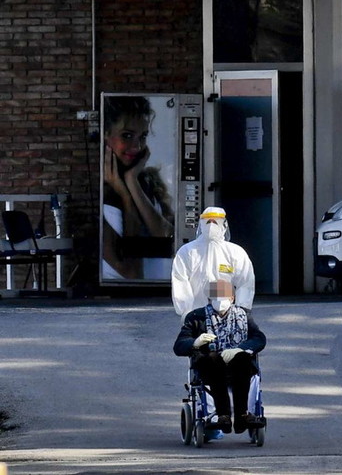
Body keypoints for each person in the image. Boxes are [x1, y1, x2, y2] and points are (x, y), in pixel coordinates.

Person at [174, 279, 267, 434]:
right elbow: (179, 345)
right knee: (212, 360)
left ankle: (242, 416)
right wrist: (195, 342)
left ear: (232, 298)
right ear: (209, 299)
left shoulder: (243, 315)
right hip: (210, 365)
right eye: (215, 297)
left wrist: (240, 349)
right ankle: (223, 415)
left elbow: (259, 339)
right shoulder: (196, 317)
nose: (219, 301)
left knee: (243, 360)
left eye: (223, 297)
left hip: (236, 364)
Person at [101, 95, 174, 280]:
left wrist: (132, 182)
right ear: (105, 135)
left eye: (142, 136)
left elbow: (166, 236)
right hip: (122, 298)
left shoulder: (145, 181)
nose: (137, 146)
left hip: (156, 293)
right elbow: (131, 272)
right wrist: (126, 197)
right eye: (127, 135)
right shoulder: (105, 193)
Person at [172, 207, 255, 316]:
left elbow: (245, 283)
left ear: (224, 224)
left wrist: (241, 311)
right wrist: (186, 311)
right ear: (201, 223)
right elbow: (180, 281)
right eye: (207, 221)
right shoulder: (187, 251)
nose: (211, 225)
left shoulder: (235, 252)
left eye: (215, 221)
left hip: (225, 315)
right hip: (196, 314)